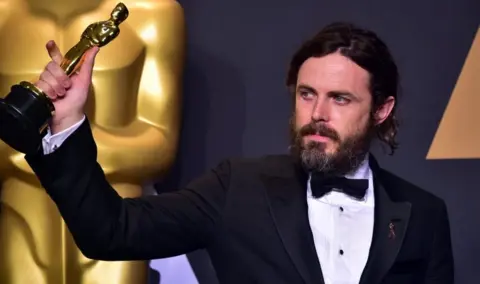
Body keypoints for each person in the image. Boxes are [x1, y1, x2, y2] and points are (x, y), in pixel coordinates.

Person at [20, 22, 454, 284]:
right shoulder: (239, 188)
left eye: (340, 99)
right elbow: (110, 231)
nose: (317, 114)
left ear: (382, 109)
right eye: (306, 94)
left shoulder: (423, 214)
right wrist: (67, 124)